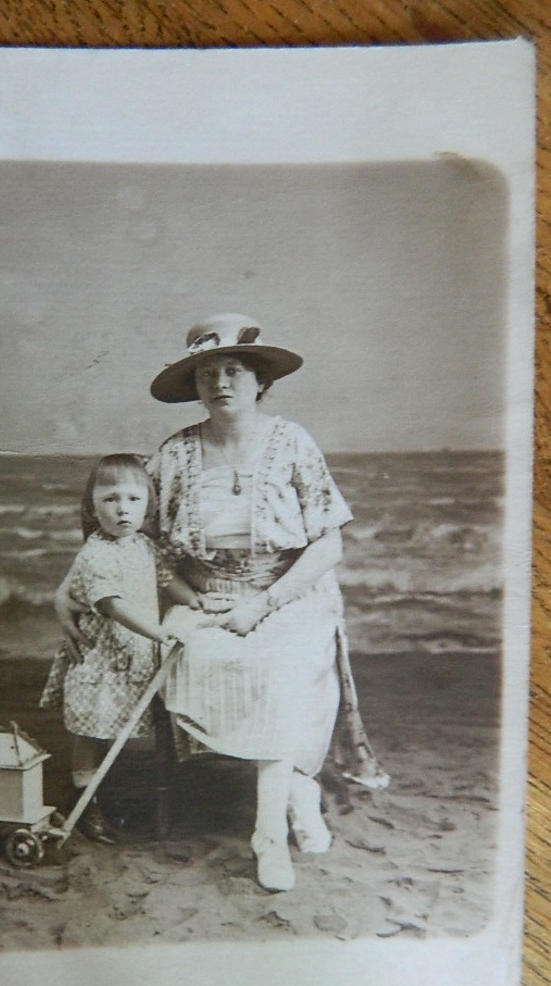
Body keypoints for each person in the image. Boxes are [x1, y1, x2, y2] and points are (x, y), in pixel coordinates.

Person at [57, 314, 387, 891]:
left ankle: (268, 833)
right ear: (195, 387)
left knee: (280, 667)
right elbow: (124, 526)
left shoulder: (292, 442)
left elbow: (328, 542)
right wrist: (68, 587)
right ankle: (296, 790)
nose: (220, 383)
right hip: (205, 594)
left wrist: (264, 604)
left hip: (290, 594)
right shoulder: (177, 453)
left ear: (261, 381)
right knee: (200, 656)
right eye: (207, 373)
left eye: (233, 370)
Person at [40, 453, 199, 843]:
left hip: (135, 656)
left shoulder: (143, 546)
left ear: (148, 505)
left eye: (133, 499)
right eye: (111, 499)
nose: (122, 509)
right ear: (92, 507)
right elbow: (112, 605)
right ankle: (85, 800)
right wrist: (158, 632)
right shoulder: (95, 554)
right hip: (102, 659)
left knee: (134, 724)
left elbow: (167, 579)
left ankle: (129, 794)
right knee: (93, 732)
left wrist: (196, 600)